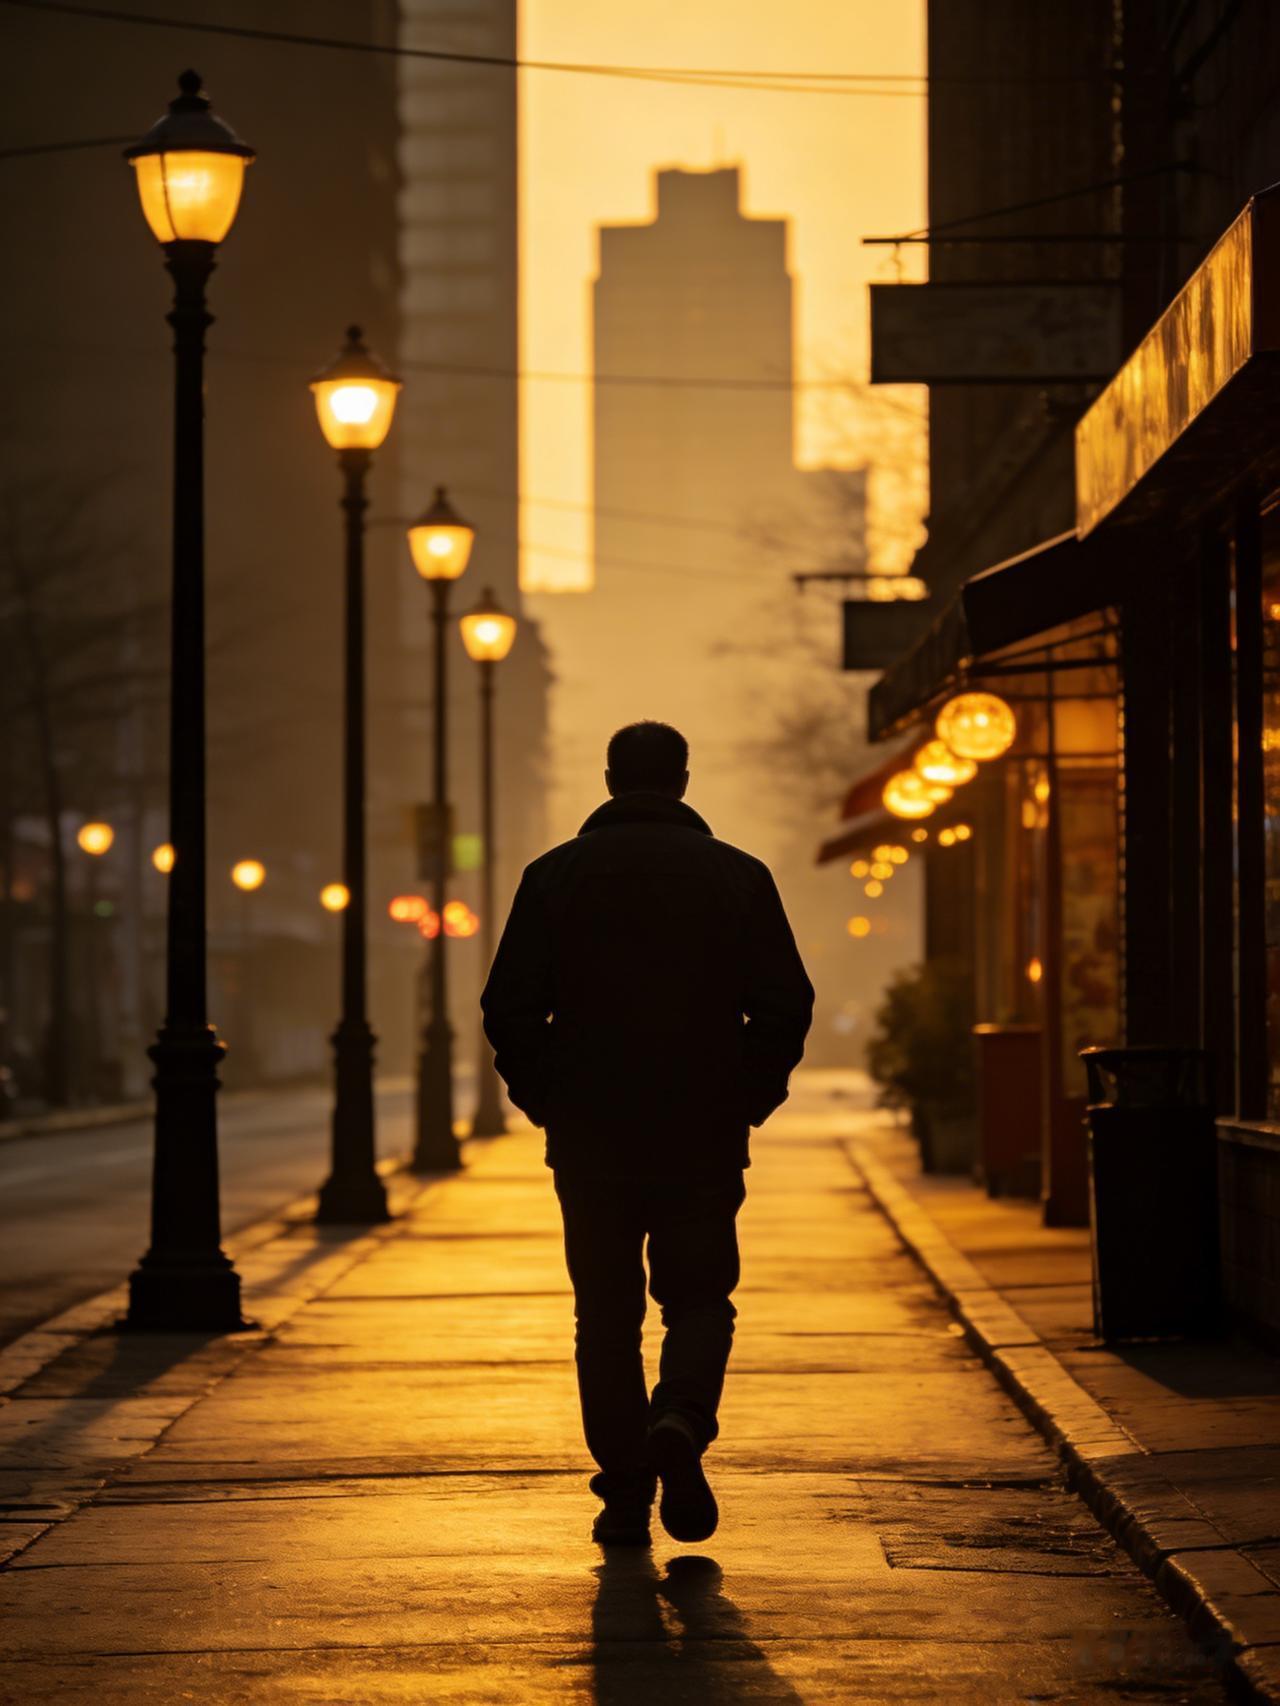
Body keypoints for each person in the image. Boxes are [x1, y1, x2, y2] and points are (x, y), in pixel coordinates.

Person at [481, 721, 814, 1547]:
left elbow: (509, 1007)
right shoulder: (738, 877)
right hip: (700, 1130)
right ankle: (681, 1420)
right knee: (699, 1298)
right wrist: (747, 1094)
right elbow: (785, 1004)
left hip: (593, 1136)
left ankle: (624, 1489)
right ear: (684, 781)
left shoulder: (553, 877)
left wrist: (546, 1096)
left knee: (605, 1318)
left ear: (607, 780)